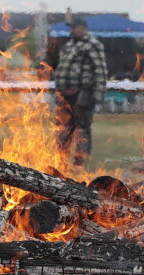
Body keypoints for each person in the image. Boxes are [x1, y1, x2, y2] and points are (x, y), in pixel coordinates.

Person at [53, 17, 107, 166]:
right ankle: (61, 160)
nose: (72, 30)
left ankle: (79, 162)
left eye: (75, 27)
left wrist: (96, 96)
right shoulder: (69, 45)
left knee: (82, 128)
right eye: (72, 28)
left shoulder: (93, 45)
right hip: (65, 94)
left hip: (83, 93)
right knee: (63, 129)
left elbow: (100, 70)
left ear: (83, 28)